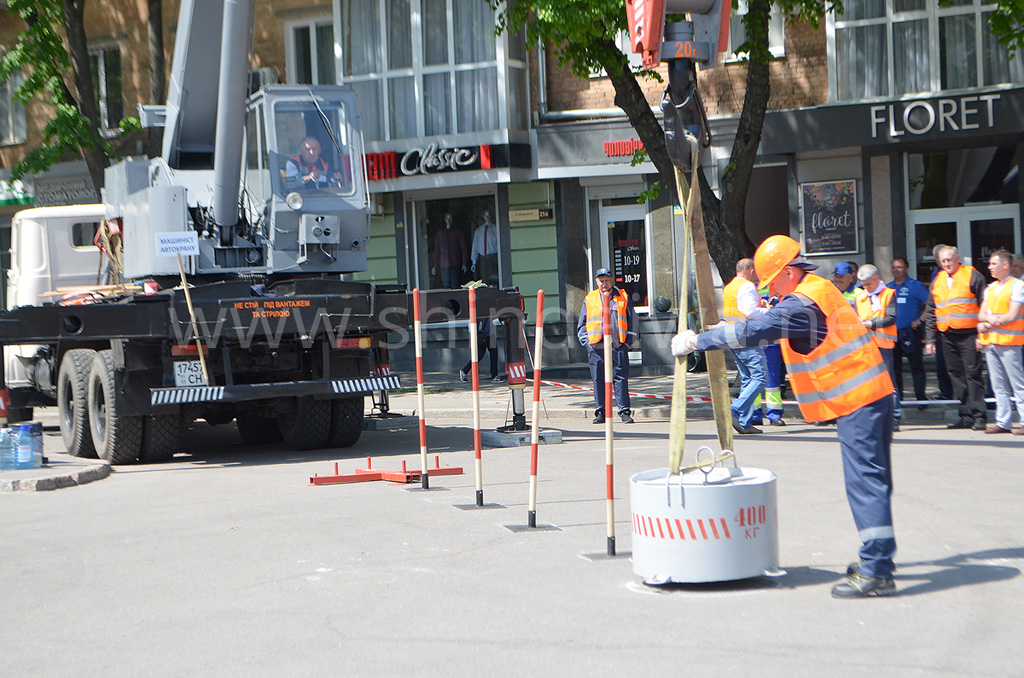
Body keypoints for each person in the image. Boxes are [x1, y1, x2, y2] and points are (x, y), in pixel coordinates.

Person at [671, 235, 897, 598]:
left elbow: (756, 330)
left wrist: (696, 342)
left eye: (772, 282)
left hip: (859, 399)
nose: (769, 290)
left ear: (789, 272)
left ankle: (877, 571)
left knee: (865, 483)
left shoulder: (802, 304)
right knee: (875, 479)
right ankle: (881, 559)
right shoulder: (816, 290)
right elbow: (763, 324)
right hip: (873, 394)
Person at [924, 246, 987, 430]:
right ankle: (966, 415)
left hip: (969, 334)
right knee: (956, 375)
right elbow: (931, 310)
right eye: (943, 261)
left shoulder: (973, 275)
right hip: (947, 335)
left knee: (973, 374)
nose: (947, 264)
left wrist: (982, 334)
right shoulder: (938, 280)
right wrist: (929, 339)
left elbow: (984, 304)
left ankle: (979, 415)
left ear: (958, 258)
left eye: (949, 260)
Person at [577, 268, 638, 424]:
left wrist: (627, 343)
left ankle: (624, 411)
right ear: (597, 282)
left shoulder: (623, 297)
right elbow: (582, 324)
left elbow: (633, 321)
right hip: (596, 345)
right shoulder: (590, 298)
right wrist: (586, 342)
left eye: (607, 280)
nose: (604, 283)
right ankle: (601, 411)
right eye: (601, 280)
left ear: (611, 280)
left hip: (617, 344)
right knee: (598, 379)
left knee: (620, 378)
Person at [976, 250, 1024, 434]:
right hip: (992, 342)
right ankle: (1003, 422)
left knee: (1017, 383)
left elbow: (1013, 314)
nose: (990, 267)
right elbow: (980, 314)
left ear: (1005, 265)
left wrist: (989, 321)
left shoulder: (1017, 285)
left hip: (1010, 341)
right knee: (998, 384)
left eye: (993, 264)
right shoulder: (990, 288)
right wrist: (990, 321)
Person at [721, 258, 768, 434]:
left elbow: (739, 309)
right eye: (754, 271)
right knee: (760, 377)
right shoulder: (748, 286)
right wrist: (769, 310)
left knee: (748, 378)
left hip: (733, 335)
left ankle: (745, 423)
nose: (756, 274)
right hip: (747, 335)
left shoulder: (730, 286)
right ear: (749, 270)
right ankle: (734, 409)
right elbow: (750, 312)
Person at [856, 264, 901, 431]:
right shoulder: (860, 296)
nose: (865, 287)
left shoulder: (888, 294)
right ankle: (873, 416)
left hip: (884, 345)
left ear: (876, 278)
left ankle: (895, 417)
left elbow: (891, 318)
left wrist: (870, 324)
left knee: (889, 382)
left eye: (868, 283)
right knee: (868, 383)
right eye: (862, 284)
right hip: (866, 346)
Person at [887, 257, 929, 403]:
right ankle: (898, 400)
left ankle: (920, 399)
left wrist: (920, 320)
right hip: (892, 333)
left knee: (916, 367)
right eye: (893, 267)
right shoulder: (888, 287)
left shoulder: (916, 286)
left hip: (911, 332)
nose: (895, 270)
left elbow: (930, 305)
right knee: (895, 369)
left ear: (906, 269)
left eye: (899, 267)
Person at [929, 244, 955, 400]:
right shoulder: (936, 276)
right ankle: (946, 393)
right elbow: (933, 302)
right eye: (940, 260)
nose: (943, 263)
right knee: (941, 365)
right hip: (942, 328)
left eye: (946, 259)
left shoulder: (964, 275)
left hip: (960, 329)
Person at [460, 316, 504, 384]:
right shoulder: (478, 312)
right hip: (484, 336)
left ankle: (494, 376)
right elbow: (471, 325)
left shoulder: (486, 310)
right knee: (481, 356)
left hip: (489, 335)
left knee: (491, 355)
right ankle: (465, 370)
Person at [431, 214, 467, 289]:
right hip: (444, 264)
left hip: (455, 263)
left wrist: (464, 263)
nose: (448, 220)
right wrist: (435, 265)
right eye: (447, 218)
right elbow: (437, 250)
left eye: (450, 218)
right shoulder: (440, 234)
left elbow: (463, 249)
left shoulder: (457, 233)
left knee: (455, 285)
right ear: (444, 219)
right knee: (446, 286)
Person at [471, 212, 499, 286]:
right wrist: (474, 262)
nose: (487, 217)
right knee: (484, 281)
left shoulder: (495, 229)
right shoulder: (478, 231)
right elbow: (475, 246)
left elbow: (499, 243)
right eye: (485, 215)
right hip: (482, 258)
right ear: (483, 216)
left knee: (494, 279)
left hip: (493, 256)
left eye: (488, 215)